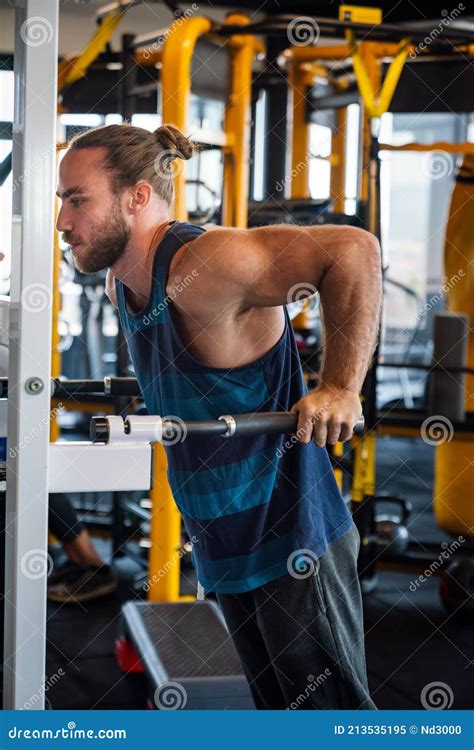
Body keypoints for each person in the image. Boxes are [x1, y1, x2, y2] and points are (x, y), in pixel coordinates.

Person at [56, 123, 382, 710]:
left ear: (136, 196)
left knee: (331, 722)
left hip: (292, 537)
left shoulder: (204, 263)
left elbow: (352, 250)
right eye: (63, 201)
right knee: (279, 715)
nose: (63, 222)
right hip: (222, 543)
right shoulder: (120, 284)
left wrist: (340, 387)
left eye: (77, 200)